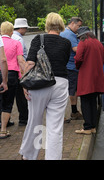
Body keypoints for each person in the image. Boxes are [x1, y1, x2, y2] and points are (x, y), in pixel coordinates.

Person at [19, 12, 71, 160]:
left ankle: (29, 156)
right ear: (61, 25)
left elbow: (30, 63)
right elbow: (64, 62)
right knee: (55, 127)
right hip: (60, 83)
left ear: (47, 24)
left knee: (34, 122)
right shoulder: (66, 43)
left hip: (39, 84)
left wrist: (25, 84)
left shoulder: (38, 39)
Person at [74, 27, 104, 135]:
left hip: (86, 76)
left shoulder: (83, 42)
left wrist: (78, 66)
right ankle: (93, 126)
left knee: (85, 102)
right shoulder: (98, 43)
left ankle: (87, 127)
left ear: (82, 35)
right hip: (97, 76)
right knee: (93, 102)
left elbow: (78, 58)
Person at [0, 21, 26, 139]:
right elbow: (20, 61)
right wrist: (24, 73)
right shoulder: (16, 43)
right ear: (11, 32)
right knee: (8, 102)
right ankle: (3, 130)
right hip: (11, 75)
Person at [60, 16, 83, 120]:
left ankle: (73, 111)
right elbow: (76, 49)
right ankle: (74, 111)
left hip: (68, 66)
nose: (78, 28)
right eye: (78, 26)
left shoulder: (65, 32)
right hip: (71, 66)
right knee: (72, 90)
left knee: (72, 89)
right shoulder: (69, 34)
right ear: (72, 23)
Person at [12, 18, 29, 125]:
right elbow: (21, 57)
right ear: (21, 28)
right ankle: (23, 119)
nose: (26, 30)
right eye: (26, 28)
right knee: (21, 96)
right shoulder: (19, 39)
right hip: (18, 70)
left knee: (6, 97)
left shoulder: (8, 36)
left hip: (7, 70)